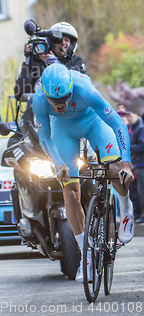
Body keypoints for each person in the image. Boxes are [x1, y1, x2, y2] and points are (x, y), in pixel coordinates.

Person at [33, 63, 135, 283]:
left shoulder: (85, 90)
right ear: (46, 95)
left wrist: (126, 162)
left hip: (93, 123)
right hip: (63, 131)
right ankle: (85, 256)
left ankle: (126, 208)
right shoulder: (39, 100)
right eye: (54, 101)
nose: (59, 106)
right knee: (69, 189)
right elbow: (44, 137)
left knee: (115, 170)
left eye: (64, 99)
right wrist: (58, 163)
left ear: (71, 89)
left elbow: (116, 122)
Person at [15, 22, 86, 100]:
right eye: (59, 40)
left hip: (69, 108)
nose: (63, 42)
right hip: (40, 108)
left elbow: (81, 86)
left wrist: (55, 64)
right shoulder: (39, 61)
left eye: (66, 40)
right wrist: (28, 61)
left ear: (71, 45)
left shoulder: (76, 61)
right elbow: (19, 94)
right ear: (52, 43)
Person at [119, 108, 144, 223]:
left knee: (141, 191)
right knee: (136, 191)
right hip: (136, 164)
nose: (128, 118)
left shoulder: (140, 128)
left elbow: (142, 146)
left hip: (141, 164)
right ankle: (138, 214)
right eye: (126, 116)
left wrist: (129, 148)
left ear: (136, 113)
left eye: (130, 115)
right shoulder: (134, 128)